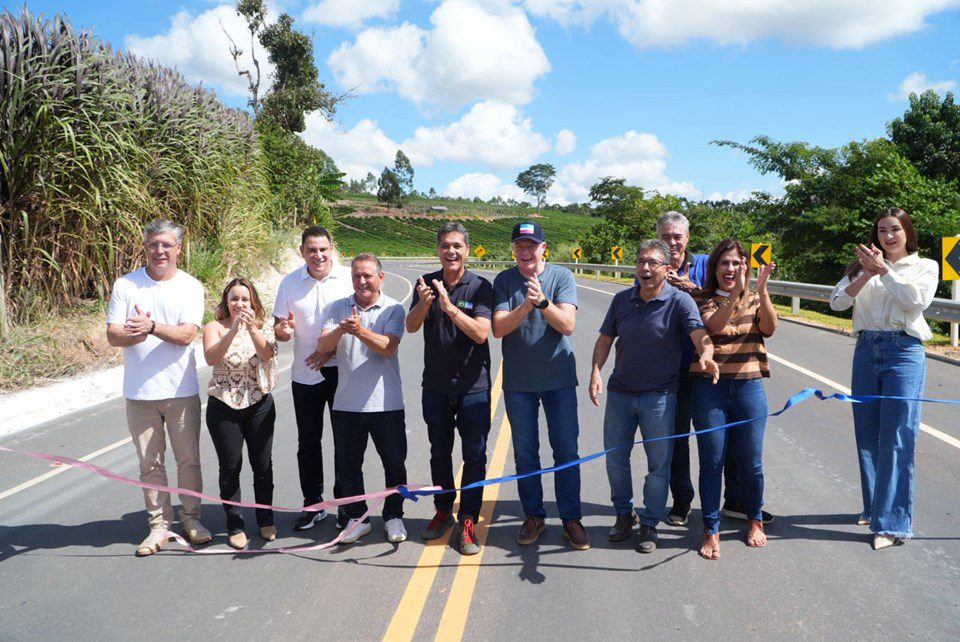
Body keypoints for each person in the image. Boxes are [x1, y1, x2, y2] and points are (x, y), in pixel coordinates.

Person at [589, 239, 718, 554]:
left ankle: (649, 522)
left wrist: (706, 355)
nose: (645, 268)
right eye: (640, 262)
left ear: (667, 267)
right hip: (620, 395)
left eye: (652, 263)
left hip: (660, 398)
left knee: (658, 465)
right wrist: (595, 371)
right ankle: (624, 514)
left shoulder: (680, 301)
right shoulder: (621, 300)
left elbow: (699, 334)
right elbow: (605, 339)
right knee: (615, 460)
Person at [829, 208, 938, 551]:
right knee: (867, 434)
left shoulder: (925, 266)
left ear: (907, 232)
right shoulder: (862, 266)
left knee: (897, 436)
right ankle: (875, 507)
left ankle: (891, 523)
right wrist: (866, 273)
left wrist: (884, 271)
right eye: (882, 230)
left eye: (895, 229)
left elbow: (915, 301)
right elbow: (836, 303)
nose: (888, 236)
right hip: (866, 348)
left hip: (903, 351)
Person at [106, 219, 210, 557]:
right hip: (140, 393)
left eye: (166, 245)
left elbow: (187, 335)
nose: (159, 251)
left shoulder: (190, 286)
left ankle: (191, 520)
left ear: (179, 248)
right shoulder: (126, 284)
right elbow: (113, 334)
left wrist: (151, 327)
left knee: (188, 460)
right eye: (153, 244)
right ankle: (159, 527)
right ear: (145, 247)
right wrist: (135, 334)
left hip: (181, 390)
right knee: (150, 464)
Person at [492, 221, 590, 550]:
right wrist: (525, 305)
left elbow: (568, 325)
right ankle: (533, 515)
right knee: (525, 454)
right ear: (513, 249)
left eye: (532, 245)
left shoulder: (561, 277)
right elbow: (498, 329)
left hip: (558, 380)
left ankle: (571, 518)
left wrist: (544, 303)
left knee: (566, 451)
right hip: (518, 383)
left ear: (543, 248)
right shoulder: (504, 280)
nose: (526, 251)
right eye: (520, 245)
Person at [406, 222, 493, 555]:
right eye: (445, 245)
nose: (451, 251)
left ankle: (468, 518)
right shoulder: (426, 283)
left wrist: (449, 307)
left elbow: (481, 333)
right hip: (436, 386)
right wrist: (424, 304)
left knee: (474, 456)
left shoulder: (480, 287)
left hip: (473, 387)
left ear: (467, 250)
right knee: (439, 453)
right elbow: (411, 327)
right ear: (438, 250)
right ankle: (443, 510)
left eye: (457, 246)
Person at [689, 239, 778, 560]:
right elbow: (713, 327)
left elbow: (769, 328)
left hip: (749, 388)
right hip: (709, 390)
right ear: (714, 268)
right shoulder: (701, 299)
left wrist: (761, 292)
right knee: (712, 462)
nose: (730, 269)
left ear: (745, 267)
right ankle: (710, 529)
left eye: (737, 263)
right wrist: (734, 296)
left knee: (751, 462)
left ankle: (755, 520)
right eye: (724, 263)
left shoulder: (755, 298)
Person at [318, 253, 408, 544]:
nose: (362, 281)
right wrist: (341, 329)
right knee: (348, 467)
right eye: (356, 275)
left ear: (380, 277)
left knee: (394, 464)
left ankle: (394, 516)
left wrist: (359, 331)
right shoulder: (339, 307)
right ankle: (357, 518)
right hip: (347, 403)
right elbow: (323, 345)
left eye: (367, 275)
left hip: (386, 403)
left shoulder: (394, 308)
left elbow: (387, 347)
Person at [273, 226, 353, 531]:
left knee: (344, 441)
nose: (317, 255)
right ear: (302, 252)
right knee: (308, 442)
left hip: (343, 371)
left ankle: (344, 506)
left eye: (322, 249)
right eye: (311, 250)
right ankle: (313, 504)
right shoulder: (290, 283)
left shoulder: (348, 279)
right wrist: (283, 331)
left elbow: (358, 324)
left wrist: (327, 353)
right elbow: (280, 328)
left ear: (331, 248)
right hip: (304, 374)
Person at [203, 277, 278, 550]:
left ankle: (265, 519)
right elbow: (211, 358)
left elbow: (268, 354)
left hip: (259, 403)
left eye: (245, 299)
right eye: (234, 298)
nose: (239, 304)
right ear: (226, 301)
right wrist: (233, 330)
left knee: (263, 465)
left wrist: (252, 329)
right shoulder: (214, 327)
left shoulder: (263, 326)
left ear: (253, 302)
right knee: (230, 466)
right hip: (223, 405)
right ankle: (235, 525)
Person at [654, 212, 709, 526]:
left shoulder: (706, 264)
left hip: (708, 367)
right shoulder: (652, 267)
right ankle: (682, 500)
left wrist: (693, 288)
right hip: (671, 370)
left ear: (688, 238)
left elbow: (729, 298)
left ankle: (735, 499)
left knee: (719, 436)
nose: (672, 242)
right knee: (677, 439)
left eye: (677, 236)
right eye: (666, 237)